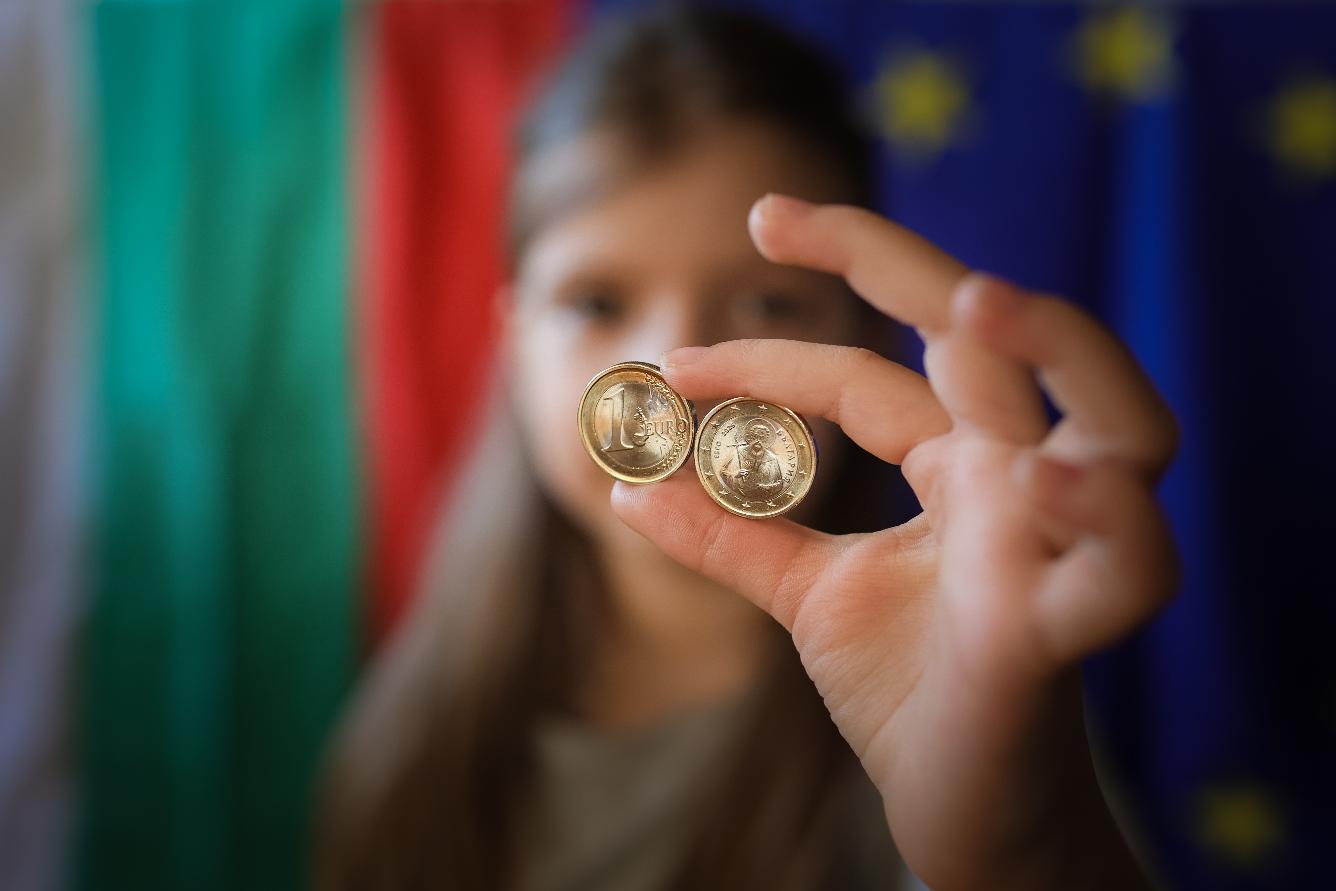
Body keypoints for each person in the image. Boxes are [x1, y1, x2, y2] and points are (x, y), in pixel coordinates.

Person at [317, 7, 1177, 891]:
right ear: (511, 344)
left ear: (861, 342)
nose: (670, 374)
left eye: (767, 305)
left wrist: (1016, 858)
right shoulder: (406, 733)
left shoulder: (962, 702)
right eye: (596, 303)